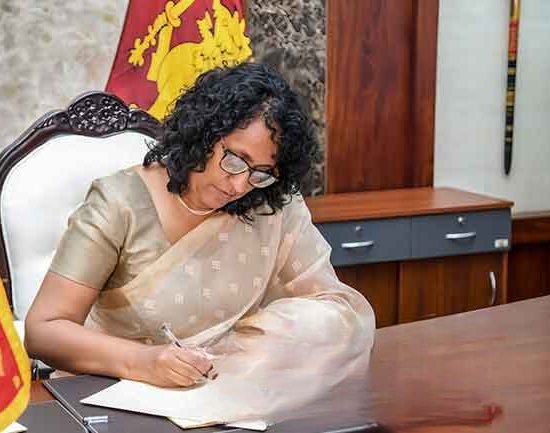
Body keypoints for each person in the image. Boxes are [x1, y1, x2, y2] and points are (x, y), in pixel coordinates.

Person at [24, 63, 375, 416]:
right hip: (117, 393)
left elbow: (335, 307)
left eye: (261, 173)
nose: (240, 184)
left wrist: (243, 351)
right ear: (203, 134)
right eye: (235, 160)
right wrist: (146, 361)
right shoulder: (119, 204)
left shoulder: (270, 203)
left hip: (228, 393)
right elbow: (44, 331)